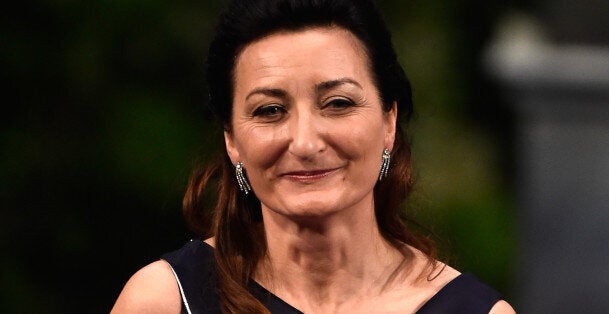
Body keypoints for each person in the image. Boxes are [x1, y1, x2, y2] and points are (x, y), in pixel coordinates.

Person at [112, 0, 515, 313]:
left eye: (337, 103)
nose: (305, 143)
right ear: (232, 139)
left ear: (388, 121)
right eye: (270, 110)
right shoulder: (169, 300)